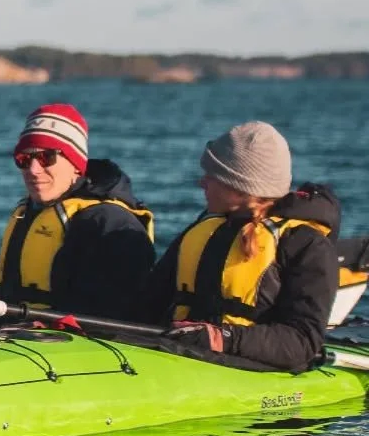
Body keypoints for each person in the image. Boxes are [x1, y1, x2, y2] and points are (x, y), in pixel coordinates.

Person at [143, 121, 339, 371]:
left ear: (241, 186)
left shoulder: (306, 244)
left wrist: (222, 338)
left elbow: (302, 341)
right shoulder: (203, 230)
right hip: (179, 353)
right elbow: (146, 304)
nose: (202, 183)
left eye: (212, 176)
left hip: (249, 365)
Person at [0, 103, 155, 320]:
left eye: (45, 157)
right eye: (24, 159)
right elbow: (3, 295)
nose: (33, 169)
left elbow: (112, 309)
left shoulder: (110, 222)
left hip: (78, 341)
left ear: (76, 163)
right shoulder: (28, 213)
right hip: (19, 331)